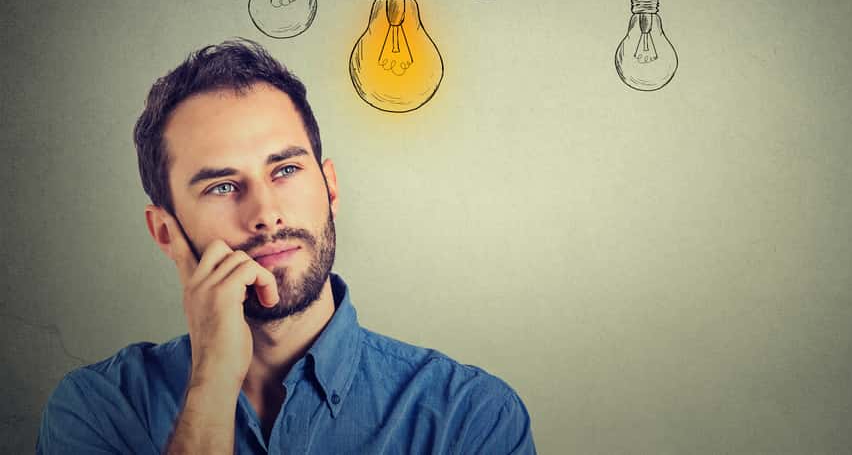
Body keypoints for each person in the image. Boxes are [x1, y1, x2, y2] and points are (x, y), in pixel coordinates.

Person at [37, 39, 535, 454]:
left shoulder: (468, 418)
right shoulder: (96, 410)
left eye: (286, 170)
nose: (265, 213)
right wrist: (210, 384)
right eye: (222, 186)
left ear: (330, 188)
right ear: (165, 232)